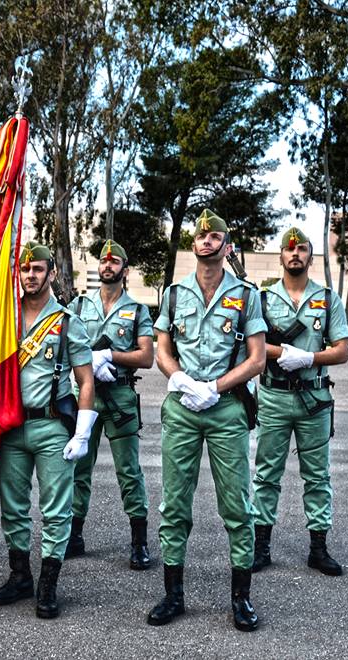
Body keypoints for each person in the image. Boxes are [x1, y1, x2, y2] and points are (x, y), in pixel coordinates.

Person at [148, 210, 266, 632]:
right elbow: (162, 350)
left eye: (215, 236)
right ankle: (173, 594)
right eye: (200, 236)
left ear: (226, 246)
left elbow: (257, 358)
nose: (206, 241)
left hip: (226, 407)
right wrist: (179, 378)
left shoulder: (246, 295)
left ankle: (241, 598)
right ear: (193, 244)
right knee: (174, 504)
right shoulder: (174, 294)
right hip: (182, 407)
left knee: (237, 505)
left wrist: (214, 387)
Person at [0, 242, 97, 619]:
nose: (30, 275)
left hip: (52, 426)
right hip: (11, 426)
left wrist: (82, 431)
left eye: (37, 269)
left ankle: (48, 583)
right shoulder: (4, 320)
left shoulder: (67, 321)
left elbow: (85, 380)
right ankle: (20, 575)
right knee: (13, 507)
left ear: (52, 273)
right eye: (25, 269)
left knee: (56, 509)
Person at [251, 227, 348, 577]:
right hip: (274, 397)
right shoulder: (262, 299)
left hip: (314, 399)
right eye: (289, 249)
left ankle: (318, 549)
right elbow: (252, 346)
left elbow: (341, 351)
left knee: (317, 476)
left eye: (302, 249)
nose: (295, 254)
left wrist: (308, 358)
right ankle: (261, 546)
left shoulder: (327, 298)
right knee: (266, 474)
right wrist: (283, 353)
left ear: (311, 256)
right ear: (281, 255)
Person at [67, 240, 155, 569]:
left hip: (120, 395)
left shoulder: (138, 310)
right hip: (85, 395)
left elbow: (146, 357)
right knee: (78, 468)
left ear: (125, 270)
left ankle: (139, 541)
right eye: (104, 261)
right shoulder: (79, 306)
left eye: (114, 262)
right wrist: (87, 361)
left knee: (129, 471)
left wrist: (110, 356)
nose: (108, 266)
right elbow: (64, 345)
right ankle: (74, 534)